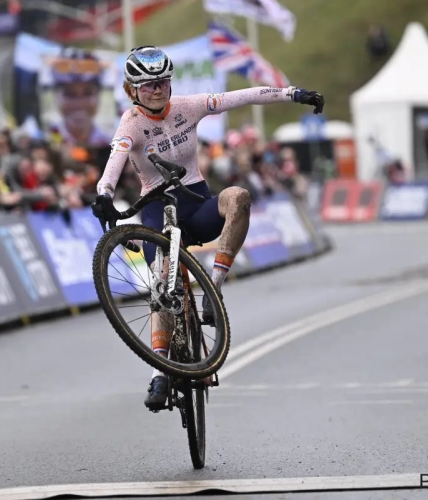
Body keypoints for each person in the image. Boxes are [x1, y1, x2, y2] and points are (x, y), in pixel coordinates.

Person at [91, 46, 324, 411]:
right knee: (161, 280)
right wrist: (104, 193)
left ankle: (214, 288)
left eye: (163, 82)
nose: (158, 89)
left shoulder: (188, 105)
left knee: (238, 196)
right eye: (148, 85)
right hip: (156, 211)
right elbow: (114, 162)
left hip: (195, 201)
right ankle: (159, 372)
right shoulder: (130, 124)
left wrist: (292, 94)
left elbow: (241, 97)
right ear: (131, 89)